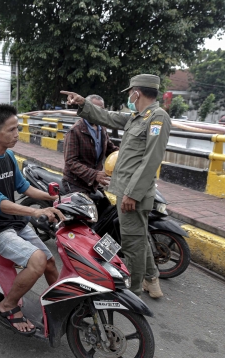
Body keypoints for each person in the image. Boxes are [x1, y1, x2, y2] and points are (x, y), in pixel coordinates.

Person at [61, 74, 171, 298]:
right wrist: (83, 103)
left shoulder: (157, 118)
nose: (130, 96)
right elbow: (107, 117)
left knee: (131, 242)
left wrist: (132, 193)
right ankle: (152, 280)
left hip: (133, 192)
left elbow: (151, 160)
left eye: (131, 92)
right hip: (125, 190)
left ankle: (135, 290)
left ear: (137, 93)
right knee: (138, 237)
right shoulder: (137, 117)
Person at [0, 103, 65, 335]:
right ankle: (8, 304)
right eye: (12, 130)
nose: (17, 134)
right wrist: (34, 212)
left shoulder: (10, 155)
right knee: (37, 261)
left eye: (17, 128)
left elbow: (23, 187)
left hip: (15, 222)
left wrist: (53, 198)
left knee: (50, 261)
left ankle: (61, 304)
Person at [62, 94, 119, 214]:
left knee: (106, 212)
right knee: (83, 219)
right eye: (94, 108)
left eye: (101, 109)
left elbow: (111, 149)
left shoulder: (101, 128)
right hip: (75, 182)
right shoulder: (75, 131)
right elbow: (70, 161)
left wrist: (128, 156)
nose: (98, 112)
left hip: (93, 183)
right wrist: (94, 174)